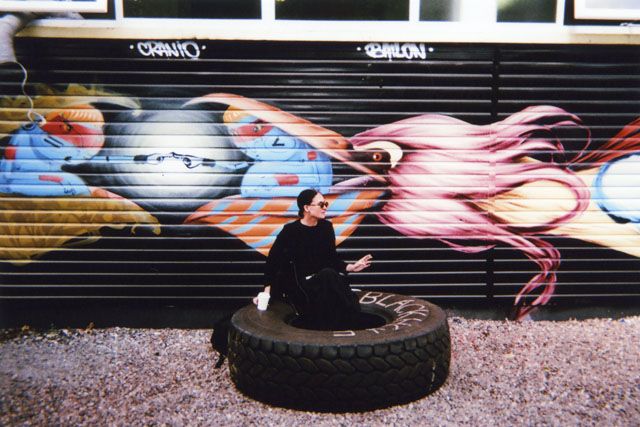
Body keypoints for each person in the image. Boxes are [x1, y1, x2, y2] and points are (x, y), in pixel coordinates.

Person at [256, 188, 372, 330]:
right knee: (329, 275)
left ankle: (351, 322)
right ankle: (355, 320)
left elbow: (332, 258)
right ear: (307, 208)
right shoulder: (290, 231)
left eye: (326, 204)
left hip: (323, 282)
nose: (325, 208)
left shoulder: (326, 227)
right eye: (321, 205)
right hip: (301, 286)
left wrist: (351, 267)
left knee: (330, 276)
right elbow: (273, 262)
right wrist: (266, 293)